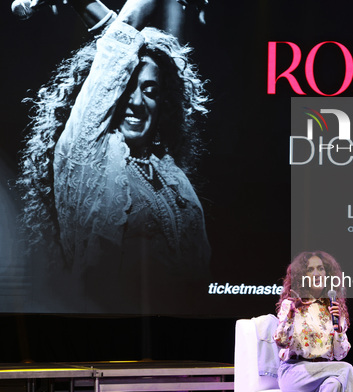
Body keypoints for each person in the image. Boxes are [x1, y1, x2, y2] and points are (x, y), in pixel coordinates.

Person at [17, 0, 210, 312]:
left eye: (150, 91)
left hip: (176, 340)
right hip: (106, 339)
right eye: (126, 88)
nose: (137, 102)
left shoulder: (171, 177)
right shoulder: (85, 155)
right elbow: (122, 39)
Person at [274, 251, 353, 392]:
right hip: (294, 372)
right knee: (346, 369)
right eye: (310, 269)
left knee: (334, 384)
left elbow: (340, 355)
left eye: (321, 268)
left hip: (326, 371)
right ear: (303, 276)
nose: (317, 273)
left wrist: (338, 331)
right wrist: (291, 315)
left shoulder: (334, 307)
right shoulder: (291, 305)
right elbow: (282, 342)